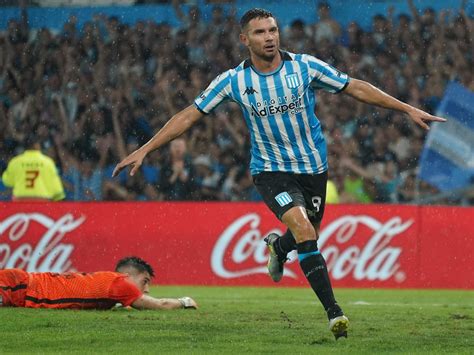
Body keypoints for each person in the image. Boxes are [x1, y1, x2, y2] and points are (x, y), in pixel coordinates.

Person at [112, 8, 446, 339]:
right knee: (302, 227)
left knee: (309, 233)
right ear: (245, 39)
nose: (269, 37)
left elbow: (354, 86)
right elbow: (190, 114)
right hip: (270, 170)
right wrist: (146, 148)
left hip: (313, 168)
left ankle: (278, 248)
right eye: (260, 32)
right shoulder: (234, 81)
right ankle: (335, 313)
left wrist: (406, 108)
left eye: (273, 30)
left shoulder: (304, 66)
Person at [0, 256, 197, 310]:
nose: (147, 289)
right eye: (144, 281)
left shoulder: (111, 285)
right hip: (19, 286)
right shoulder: (122, 284)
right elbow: (159, 305)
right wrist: (185, 301)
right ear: (128, 276)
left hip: (22, 287)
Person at [1, 135, 65, 201]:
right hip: (41, 201)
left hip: (20, 201)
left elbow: (7, 181)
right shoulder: (47, 162)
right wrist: (59, 199)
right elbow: (56, 189)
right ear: (37, 145)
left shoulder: (15, 161)